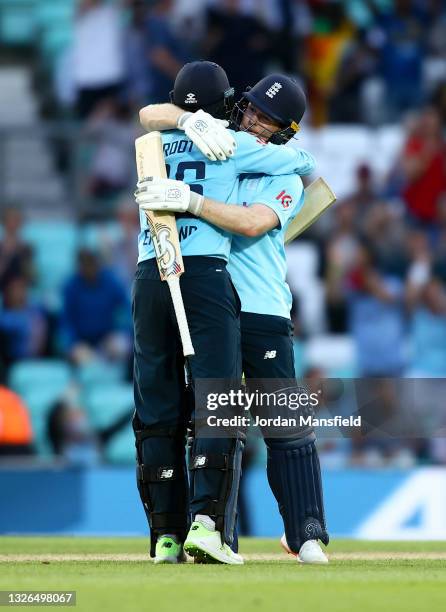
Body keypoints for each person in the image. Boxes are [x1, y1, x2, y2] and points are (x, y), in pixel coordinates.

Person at [136, 72, 329, 563]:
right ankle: (214, 535)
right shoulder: (212, 139)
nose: (257, 124)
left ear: (284, 131)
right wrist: (188, 119)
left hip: (260, 306)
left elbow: (253, 222)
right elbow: (151, 114)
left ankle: (305, 532)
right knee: (215, 420)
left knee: (283, 422)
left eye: (269, 120)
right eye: (254, 112)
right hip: (208, 301)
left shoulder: (281, 172)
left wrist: (195, 203)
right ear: (239, 106)